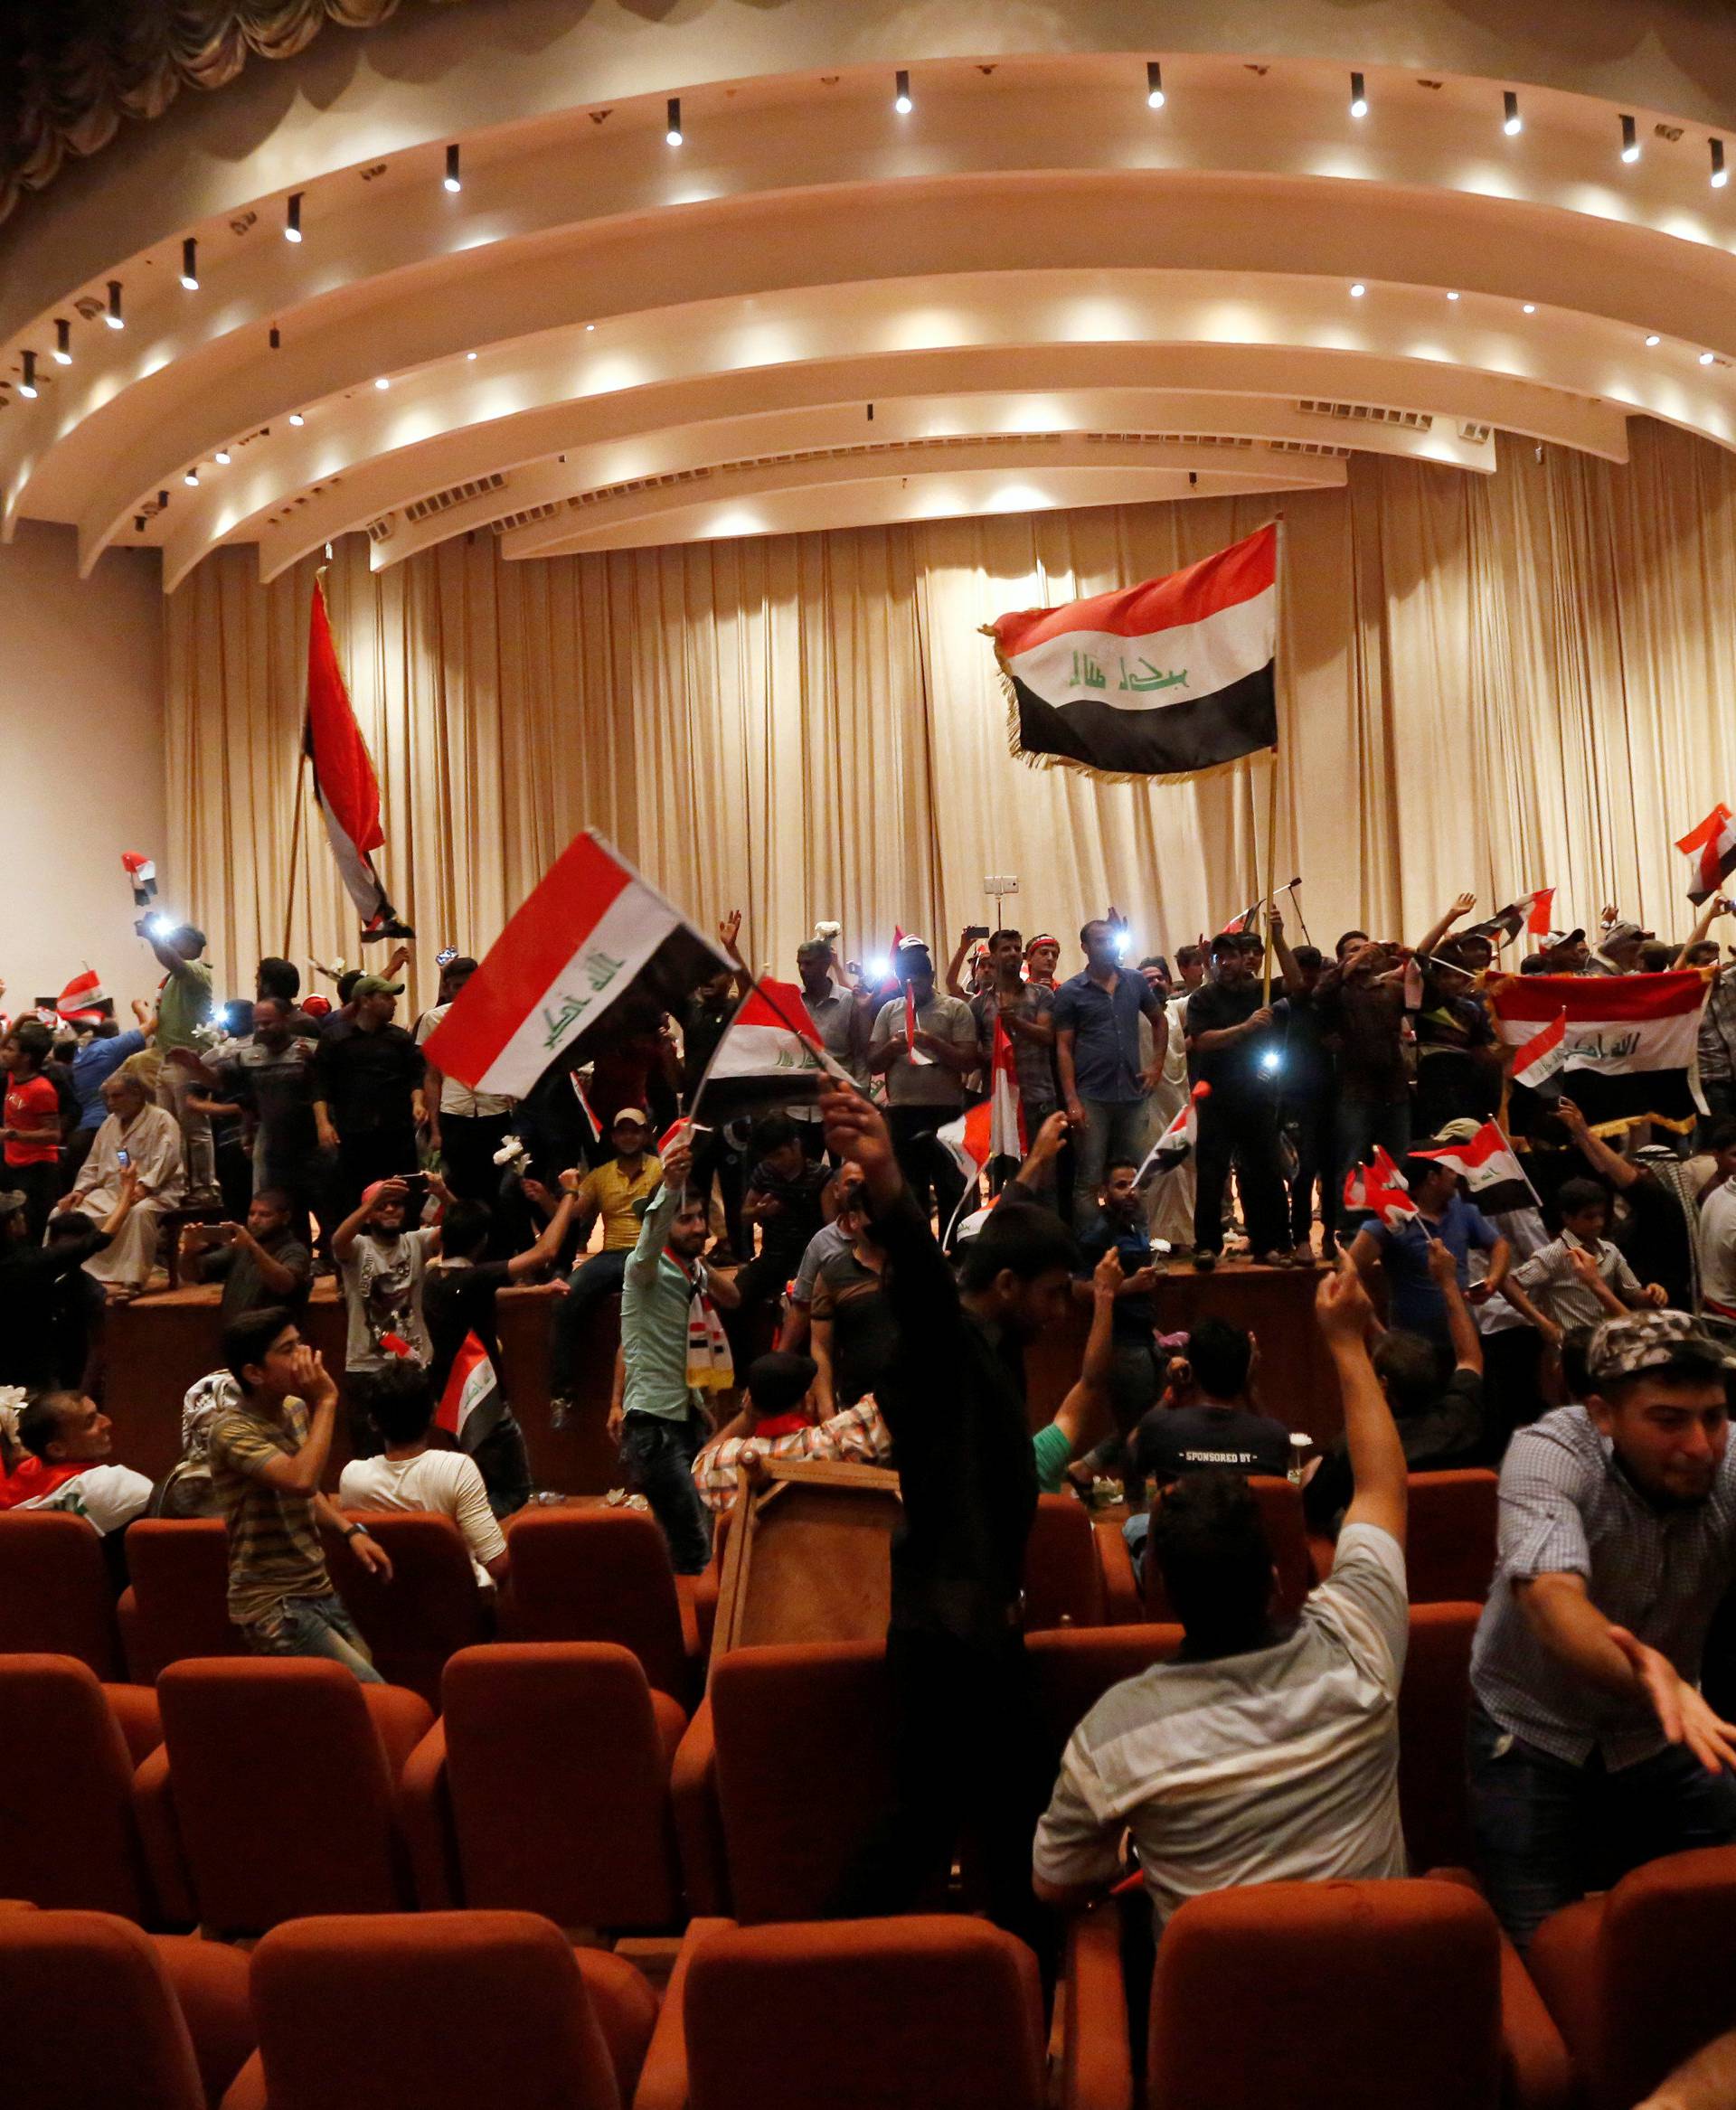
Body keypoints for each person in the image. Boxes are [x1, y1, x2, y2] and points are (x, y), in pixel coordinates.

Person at [1032, 1260, 1410, 1936]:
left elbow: (1054, 1884)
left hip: (1213, 2031)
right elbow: (1381, 1490)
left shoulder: (1112, 1733)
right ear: (1276, 1574)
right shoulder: (1362, 1647)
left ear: (1163, 1589)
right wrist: (1348, 1343)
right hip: (1385, 2004)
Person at [819, 1078, 1077, 1965]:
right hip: (947, 1637)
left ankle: (1024, 1982)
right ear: (1005, 1286)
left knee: (986, 1821)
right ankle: (804, 1976)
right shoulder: (948, 1344)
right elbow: (928, 1285)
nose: (1060, 1314)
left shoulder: (996, 1347)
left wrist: (1039, 1163)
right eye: (1052, 1295)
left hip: (969, 1629)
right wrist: (886, 1176)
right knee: (937, 1826)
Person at [1467, 1310, 1736, 1948]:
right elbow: (1550, 1598)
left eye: (1714, 1417)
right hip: (1534, 1731)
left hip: (1667, 1731)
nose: (1699, 1445)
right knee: (1547, 1952)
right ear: (1604, 1416)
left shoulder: (1729, 1467)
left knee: (1709, 1943)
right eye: (1668, 1420)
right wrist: (1650, 1670)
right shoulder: (1550, 1452)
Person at [206, 1308, 392, 1679]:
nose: (305, 1356)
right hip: (272, 1602)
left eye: (300, 1343)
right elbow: (301, 1479)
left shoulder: (293, 1410)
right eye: (288, 1349)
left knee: (361, 1672)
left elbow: (307, 1493)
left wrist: (348, 1530)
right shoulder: (230, 1431)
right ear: (254, 1373)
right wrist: (325, 1402)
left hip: (313, 1584)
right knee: (366, 1689)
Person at [612, 1133, 740, 1574]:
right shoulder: (641, 1268)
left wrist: (697, 1405)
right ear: (663, 1223)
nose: (699, 1228)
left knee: (698, 1539)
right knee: (696, 1547)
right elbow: (648, 1241)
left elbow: (735, 1297)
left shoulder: (691, 1270)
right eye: (685, 1220)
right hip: (653, 1428)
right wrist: (669, 1185)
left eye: (701, 1218)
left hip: (684, 1417)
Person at [1307, 1239, 1485, 1531]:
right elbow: (1469, 1358)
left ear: (1384, 1386)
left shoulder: (1356, 1451)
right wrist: (1448, 1282)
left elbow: (1311, 1512)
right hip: (1453, 1555)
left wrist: (1312, 1473)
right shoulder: (1461, 1420)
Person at [424, 1186, 578, 1517]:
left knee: (486, 1483)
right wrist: (570, 1195)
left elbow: (486, 1297)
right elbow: (546, 1251)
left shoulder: (434, 1278)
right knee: (513, 1492)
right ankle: (469, 1540)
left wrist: (539, 1290)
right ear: (481, 1241)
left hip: (448, 1398)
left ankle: (474, 1550)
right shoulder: (475, 1277)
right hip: (481, 1402)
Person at [337, 1360, 510, 1588]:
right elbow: (497, 1564)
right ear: (433, 1413)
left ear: (373, 1422)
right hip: (456, 1613)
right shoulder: (457, 1469)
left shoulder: (352, 1477)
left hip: (379, 1614)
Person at [1183, 930, 1296, 1269]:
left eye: (1231, 956)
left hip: (1257, 1093)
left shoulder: (1260, 991)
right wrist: (1245, 1029)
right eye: (1218, 958)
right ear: (1211, 963)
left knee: (1265, 1171)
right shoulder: (1203, 998)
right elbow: (1202, 1041)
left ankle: (1270, 1244)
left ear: (1244, 959)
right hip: (1216, 1096)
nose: (1225, 963)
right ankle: (1207, 1245)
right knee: (1211, 1172)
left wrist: (1277, 937)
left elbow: (1296, 981)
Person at [1053, 918, 1167, 1234]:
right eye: (1100, 941)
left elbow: (1159, 1021)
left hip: (1133, 1093)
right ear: (1085, 948)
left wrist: (1157, 1064)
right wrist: (1072, 1100)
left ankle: (1138, 1245)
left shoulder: (1135, 982)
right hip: (1092, 1097)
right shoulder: (1070, 991)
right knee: (1089, 1179)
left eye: (1111, 940)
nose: (1108, 946)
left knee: (1137, 1175)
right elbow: (1063, 1047)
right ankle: (1091, 1251)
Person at [547, 1110, 664, 1414]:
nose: (629, 1137)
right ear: (613, 1137)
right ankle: (563, 1391)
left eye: (635, 1131)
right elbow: (573, 1213)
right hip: (612, 1255)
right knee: (565, 1297)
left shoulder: (662, 1170)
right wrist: (546, 1198)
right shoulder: (600, 1174)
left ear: (646, 1135)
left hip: (650, 1252)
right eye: (622, 1131)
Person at [691, 1349, 891, 1512]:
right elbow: (882, 1407)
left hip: (768, 1555)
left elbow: (702, 1464)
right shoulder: (837, 1441)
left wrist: (748, 1415)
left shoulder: (733, 1462)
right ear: (803, 1402)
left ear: (749, 1399)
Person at [1346, 1153, 1509, 1352]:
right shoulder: (1391, 1220)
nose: (1456, 1175)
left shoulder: (1464, 1210)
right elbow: (1348, 1271)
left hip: (1466, 1343)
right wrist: (1374, 1326)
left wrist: (1492, 1281)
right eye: (1449, 1170)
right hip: (1412, 1352)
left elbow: (1499, 1245)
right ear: (1432, 1178)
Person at [866, 940, 979, 1227]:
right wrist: (891, 1048)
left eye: (918, 983)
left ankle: (953, 1249)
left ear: (930, 978)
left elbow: (969, 1061)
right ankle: (919, 1254)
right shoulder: (889, 1010)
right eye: (906, 984)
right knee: (910, 1189)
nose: (912, 990)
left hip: (946, 1112)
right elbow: (873, 1063)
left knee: (950, 1186)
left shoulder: (955, 1009)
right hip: (903, 1111)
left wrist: (933, 1043)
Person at [1556, 1096, 1702, 1317]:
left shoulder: (1666, 1205)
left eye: (1645, 1169)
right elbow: (1606, 1172)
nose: (1638, 1173)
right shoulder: (1644, 1207)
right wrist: (1579, 1133)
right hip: (1636, 1302)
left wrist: (1586, 1132)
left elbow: (1630, 1182)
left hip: (1664, 1307)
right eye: (1637, 1167)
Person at [333, 1173, 444, 1453]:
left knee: (414, 1452)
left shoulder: (416, 1242)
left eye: (396, 1204)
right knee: (369, 1454)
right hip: (366, 1367)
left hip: (412, 1363)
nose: (391, 1209)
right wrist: (372, 1203)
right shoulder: (359, 1247)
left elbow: (462, 1224)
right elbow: (337, 1242)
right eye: (382, 1206)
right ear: (368, 1214)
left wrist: (442, 1193)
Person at [0, 1173, 141, 1389]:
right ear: (9, 1226)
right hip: (30, 1366)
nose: (23, 1216)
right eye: (17, 1214)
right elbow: (100, 1238)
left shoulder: (31, 1260)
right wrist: (126, 1196)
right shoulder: (33, 1262)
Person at [53, 1069, 184, 1295]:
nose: (110, 1103)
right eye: (108, 1098)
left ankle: (132, 1281)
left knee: (139, 1212)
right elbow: (94, 1163)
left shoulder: (162, 1120)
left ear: (136, 1094)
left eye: (117, 1096)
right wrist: (80, 1190)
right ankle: (61, 1272)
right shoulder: (109, 1124)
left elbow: (167, 1158)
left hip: (158, 1190)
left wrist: (145, 1185)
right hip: (113, 1190)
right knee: (61, 1211)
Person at [197, 996, 323, 1231]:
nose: (262, 1029)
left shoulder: (312, 1049)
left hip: (313, 1145)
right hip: (275, 1148)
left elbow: (330, 1088)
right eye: (258, 1024)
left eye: (268, 1023)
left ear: (286, 1020)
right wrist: (194, 1065)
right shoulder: (248, 1056)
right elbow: (220, 1081)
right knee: (285, 1215)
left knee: (325, 1209)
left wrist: (315, 1064)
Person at [1127, 1315, 1294, 1490]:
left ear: (1190, 1369)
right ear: (1246, 1372)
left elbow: (1133, 1448)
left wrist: (1174, 1392)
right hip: (1244, 1518)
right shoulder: (1274, 1437)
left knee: (1137, 1519)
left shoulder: (1158, 1427)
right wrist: (1249, 1388)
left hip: (1180, 1518)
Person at [1499, 1178, 1667, 1346]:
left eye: (1601, 1215)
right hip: (1571, 1346)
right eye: (1589, 1217)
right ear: (1567, 1218)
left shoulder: (1610, 1251)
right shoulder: (1555, 1254)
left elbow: (1635, 1295)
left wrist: (1654, 1294)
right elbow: (1509, 1283)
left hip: (1605, 1343)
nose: (1598, 1223)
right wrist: (1543, 1323)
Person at [313, 973, 426, 1221]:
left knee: (402, 1193)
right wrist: (323, 1124)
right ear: (365, 1001)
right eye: (386, 997)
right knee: (353, 1195)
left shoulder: (400, 1039)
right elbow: (320, 1085)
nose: (394, 1003)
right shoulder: (334, 1038)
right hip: (353, 1133)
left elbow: (415, 1077)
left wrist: (417, 1102)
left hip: (396, 1133)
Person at [1316, 937, 1412, 1213]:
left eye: (1367, 947)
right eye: (1353, 950)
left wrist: (1409, 955)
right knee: (1352, 1162)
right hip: (1356, 1091)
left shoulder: (1391, 988)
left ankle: (1392, 1220)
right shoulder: (1338, 992)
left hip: (1394, 1089)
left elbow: (1425, 987)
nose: (1364, 953)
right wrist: (1357, 960)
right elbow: (1321, 993)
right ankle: (1349, 1228)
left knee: (1396, 1162)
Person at [1074, 1159, 1164, 1455]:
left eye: (1134, 1185)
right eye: (1121, 1186)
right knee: (1134, 1429)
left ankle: (1088, 1470)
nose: (1130, 1192)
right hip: (1121, 1344)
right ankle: (1097, 1472)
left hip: (1146, 1338)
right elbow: (1078, 1289)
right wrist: (1128, 1286)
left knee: (1150, 1423)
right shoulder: (1098, 1233)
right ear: (1104, 1192)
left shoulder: (1135, 1225)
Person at [417, 956, 515, 1204]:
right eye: (457, 986)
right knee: (458, 1186)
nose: (463, 991)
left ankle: (495, 1242)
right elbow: (432, 1076)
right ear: (447, 988)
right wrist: (435, 1130)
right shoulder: (433, 1020)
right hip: (454, 1113)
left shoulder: (503, 1016)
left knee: (496, 1187)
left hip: (495, 1112)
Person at [733, 1112, 829, 1348]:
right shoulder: (765, 1173)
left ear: (796, 1145)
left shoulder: (820, 1177)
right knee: (734, 1296)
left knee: (803, 1303)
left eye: (779, 1155)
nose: (775, 1162)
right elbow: (744, 1217)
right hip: (772, 1257)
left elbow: (831, 1230)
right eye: (769, 1157)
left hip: (809, 1263)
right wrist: (760, 1212)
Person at [0, 1390, 154, 1536]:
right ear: (57, 1449)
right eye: (90, 1422)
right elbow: (166, 1503)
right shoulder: (102, 1485)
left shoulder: (24, 1474)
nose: (107, 1423)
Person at [970, 928, 1058, 1173]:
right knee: (1001, 1177)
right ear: (993, 956)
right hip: (998, 1102)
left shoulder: (1042, 994)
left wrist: (1016, 1023)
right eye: (1005, 949)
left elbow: (1047, 1036)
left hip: (1038, 1097)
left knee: (1043, 1175)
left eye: (1016, 948)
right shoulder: (979, 1003)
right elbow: (973, 1050)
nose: (1013, 953)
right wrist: (994, 1055)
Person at [146, 921, 217, 1200]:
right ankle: (180, 1183)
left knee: (194, 1126)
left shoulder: (197, 971)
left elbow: (173, 961)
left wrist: (152, 937)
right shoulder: (172, 978)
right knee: (170, 1129)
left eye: (176, 941)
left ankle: (203, 1186)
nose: (171, 945)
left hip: (188, 1058)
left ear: (192, 947)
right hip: (168, 1057)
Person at [809, 1192, 896, 1413]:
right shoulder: (832, 1275)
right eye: (874, 1214)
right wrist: (828, 1411)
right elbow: (821, 1347)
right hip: (857, 1407)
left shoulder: (917, 1263)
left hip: (918, 1401)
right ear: (853, 1219)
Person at [178, 1188, 313, 1324]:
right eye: (251, 1213)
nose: (255, 1220)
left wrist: (252, 1246)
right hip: (237, 1337)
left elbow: (284, 1285)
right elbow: (191, 1275)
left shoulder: (294, 1250)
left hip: (275, 1339)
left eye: (265, 1215)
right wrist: (190, 1252)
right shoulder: (240, 1248)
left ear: (285, 1218)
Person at [3, 1022, 65, 1239]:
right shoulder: (14, 1078)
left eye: (11, 1050)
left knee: (32, 1229)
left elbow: (53, 1135)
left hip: (37, 1169)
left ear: (26, 1057)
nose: (5, 1053)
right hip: (13, 1162)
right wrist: (19, 1021)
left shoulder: (41, 1090)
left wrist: (12, 1134)